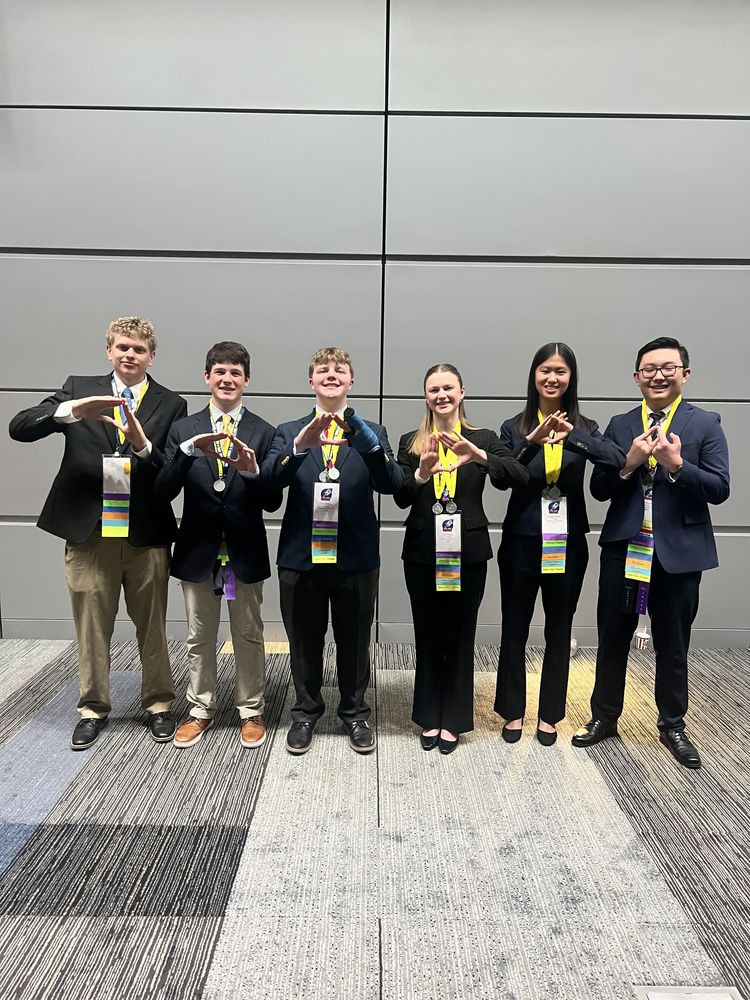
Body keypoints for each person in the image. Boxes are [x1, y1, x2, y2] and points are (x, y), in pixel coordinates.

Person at [9, 317, 187, 749]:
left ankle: (159, 704)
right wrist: (70, 412)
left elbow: (171, 473)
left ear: (152, 357)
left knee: (153, 625)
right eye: (122, 347)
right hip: (89, 530)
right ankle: (93, 708)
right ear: (109, 350)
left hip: (144, 532)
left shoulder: (171, 404)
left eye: (139, 349)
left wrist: (144, 447)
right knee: (91, 624)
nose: (130, 355)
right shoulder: (78, 388)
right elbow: (20, 427)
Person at [573, 337, 730, 769]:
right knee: (612, 637)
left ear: (685, 374)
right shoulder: (621, 424)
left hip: (678, 553)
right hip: (625, 548)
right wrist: (629, 462)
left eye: (667, 367)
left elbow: (720, 488)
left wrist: (677, 464)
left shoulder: (705, 424)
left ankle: (673, 725)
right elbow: (599, 489)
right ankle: (604, 717)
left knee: (673, 642)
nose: (657, 375)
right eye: (649, 369)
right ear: (637, 377)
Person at [263, 347, 403, 755]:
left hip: (356, 556)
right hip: (300, 556)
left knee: (355, 639)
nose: (331, 374)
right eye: (322, 369)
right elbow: (269, 483)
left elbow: (392, 484)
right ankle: (306, 713)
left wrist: (369, 445)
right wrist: (298, 450)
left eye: (339, 369)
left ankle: (355, 712)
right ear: (311, 381)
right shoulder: (289, 429)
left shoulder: (370, 430)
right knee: (303, 640)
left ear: (351, 382)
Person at [494, 342, 625, 745]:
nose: (552, 378)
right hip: (520, 538)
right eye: (545, 370)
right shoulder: (512, 426)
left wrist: (573, 439)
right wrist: (533, 439)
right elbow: (503, 476)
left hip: (567, 542)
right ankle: (512, 711)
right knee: (513, 627)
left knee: (559, 627)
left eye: (561, 371)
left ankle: (550, 714)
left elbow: (617, 461)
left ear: (571, 379)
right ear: (534, 375)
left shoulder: (585, 427)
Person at [394, 363, 529, 754]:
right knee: (428, 632)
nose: (442, 395)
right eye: (434, 389)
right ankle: (429, 715)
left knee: (460, 632)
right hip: (422, 550)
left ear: (462, 392)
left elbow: (518, 475)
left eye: (448, 388)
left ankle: (453, 718)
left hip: (467, 551)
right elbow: (401, 495)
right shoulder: (410, 440)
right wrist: (419, 475)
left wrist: (479, 456)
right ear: (426, 396)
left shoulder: (481, 437)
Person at [155, 342, 282, 748]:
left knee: (247, 632)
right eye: (220, 372)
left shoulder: (264, 431)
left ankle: (251, 709)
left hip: (244, 549)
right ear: (207, 377)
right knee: (198, 634)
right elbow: (163, 490)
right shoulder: (183, 430)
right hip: (197, 548)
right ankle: (200, 709)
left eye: (235, 373)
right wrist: (188, 452)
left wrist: (253, 471)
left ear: (246, 380)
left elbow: (272, 500)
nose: (227, 380)